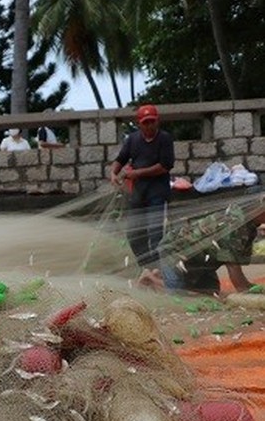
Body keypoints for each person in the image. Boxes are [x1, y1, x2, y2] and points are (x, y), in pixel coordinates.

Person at [139, 203, 265, 294]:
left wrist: (253, 289)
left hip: (200, 259)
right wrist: (251, 291)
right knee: (178, 294)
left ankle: (161, 275)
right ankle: (151, 278)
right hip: (175, 251)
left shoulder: (248, 224)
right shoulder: (234, 225)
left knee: (211, 293)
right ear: (257, 209)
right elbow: (236, 275)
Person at [108, 104, 175, 271]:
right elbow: (121, 159)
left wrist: (138, 173)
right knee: (134, 235)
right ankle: (146, 268)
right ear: (139, 123)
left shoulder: (164, 139)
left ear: (157, 121)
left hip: (157, 193)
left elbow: (164, 166)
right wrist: (113, 173)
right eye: (145, 122)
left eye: (152, 121)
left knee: (155, 233)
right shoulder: (133, 140)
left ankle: (159, 271)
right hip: (137, 194)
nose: (149, 125)